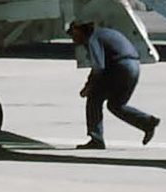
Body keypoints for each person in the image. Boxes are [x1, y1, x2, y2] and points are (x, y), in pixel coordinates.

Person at [67, 21, 159, 149]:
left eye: (73, 35)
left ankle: (96, 139)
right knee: (116, 105)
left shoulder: (93, 38)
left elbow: (98, 67)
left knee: (94, 98)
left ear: (79, 30)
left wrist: (88, 87)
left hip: (120, 67)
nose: (73, 40)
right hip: (133, 67)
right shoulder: (105, 33)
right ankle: (146, 122)